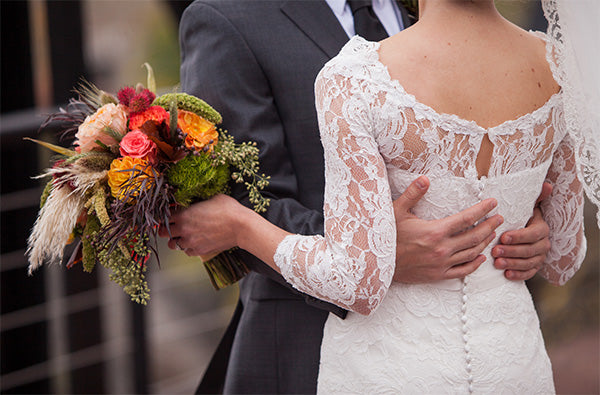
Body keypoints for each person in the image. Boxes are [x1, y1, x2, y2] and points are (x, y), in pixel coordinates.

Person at [172, 0, 558, 393]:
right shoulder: (227, 18)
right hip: (305, 340)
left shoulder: (435, 9)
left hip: (484, 337)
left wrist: (531, 220)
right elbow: (241, 196)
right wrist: (382, 250)